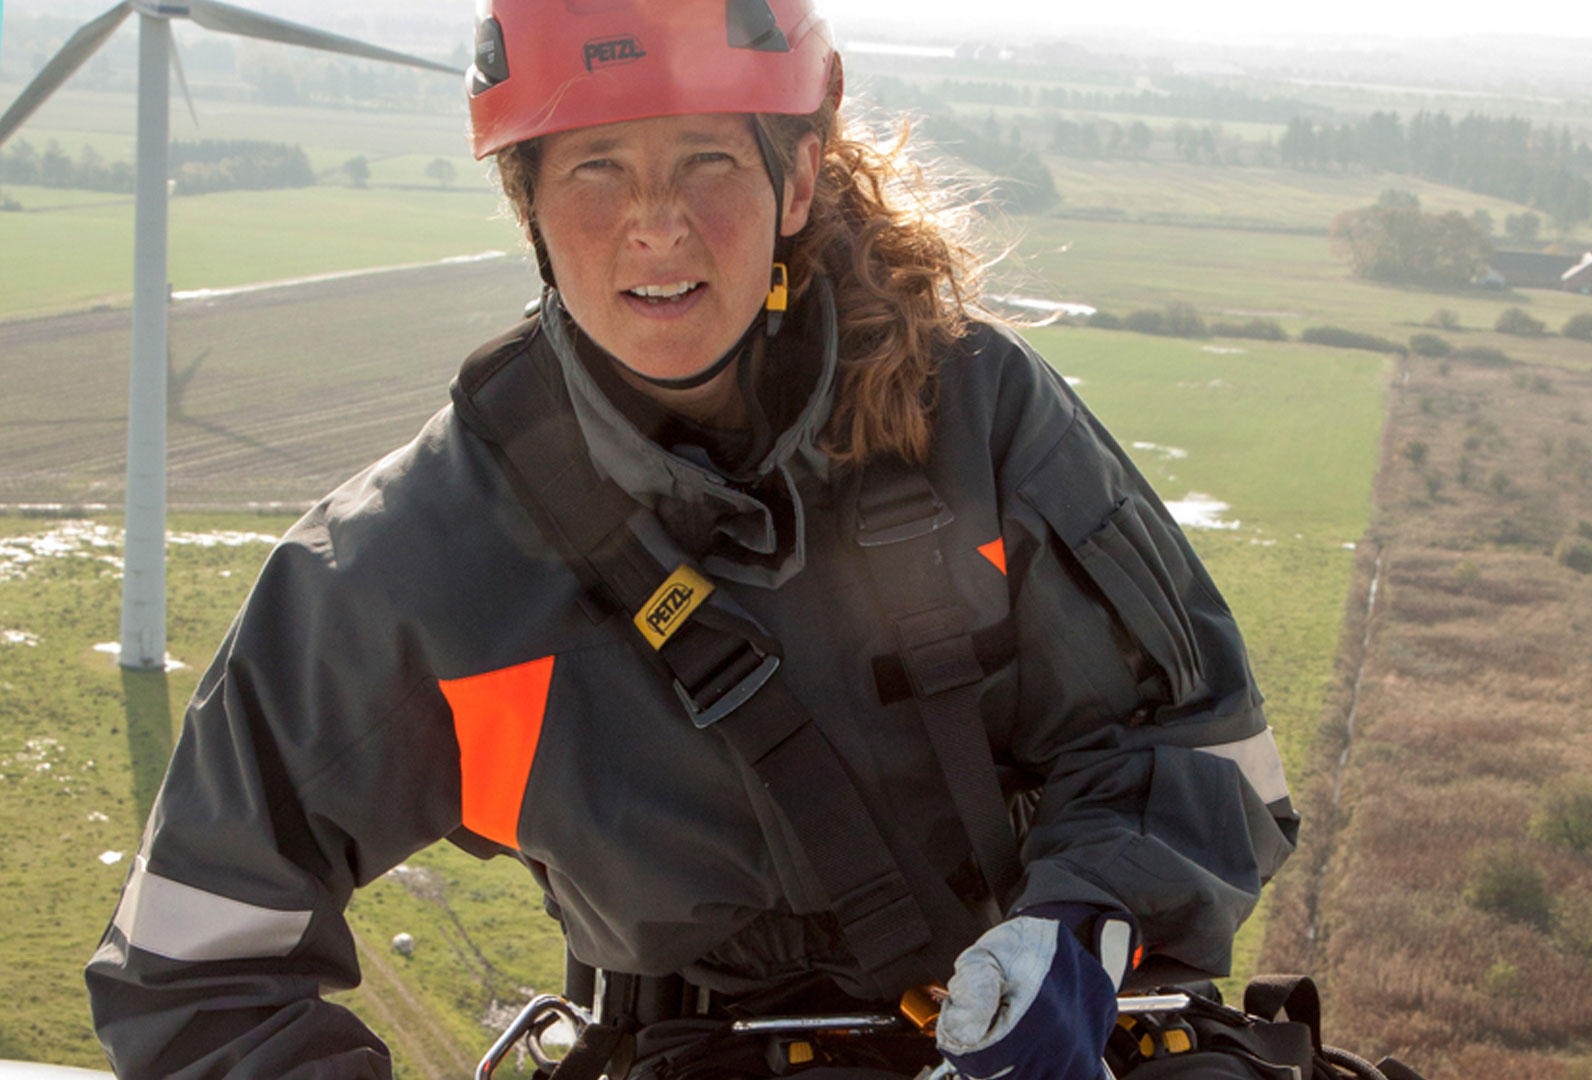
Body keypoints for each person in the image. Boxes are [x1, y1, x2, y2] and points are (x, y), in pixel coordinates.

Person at [85, 3, 1298, 1078]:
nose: (656, 226)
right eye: (596, 167)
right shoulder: (424, 565)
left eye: (706, 162)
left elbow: (1201, 744)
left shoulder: (974, 414)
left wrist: (1082, 929)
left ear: (800, 182)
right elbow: (195, 961)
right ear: (529, 205)